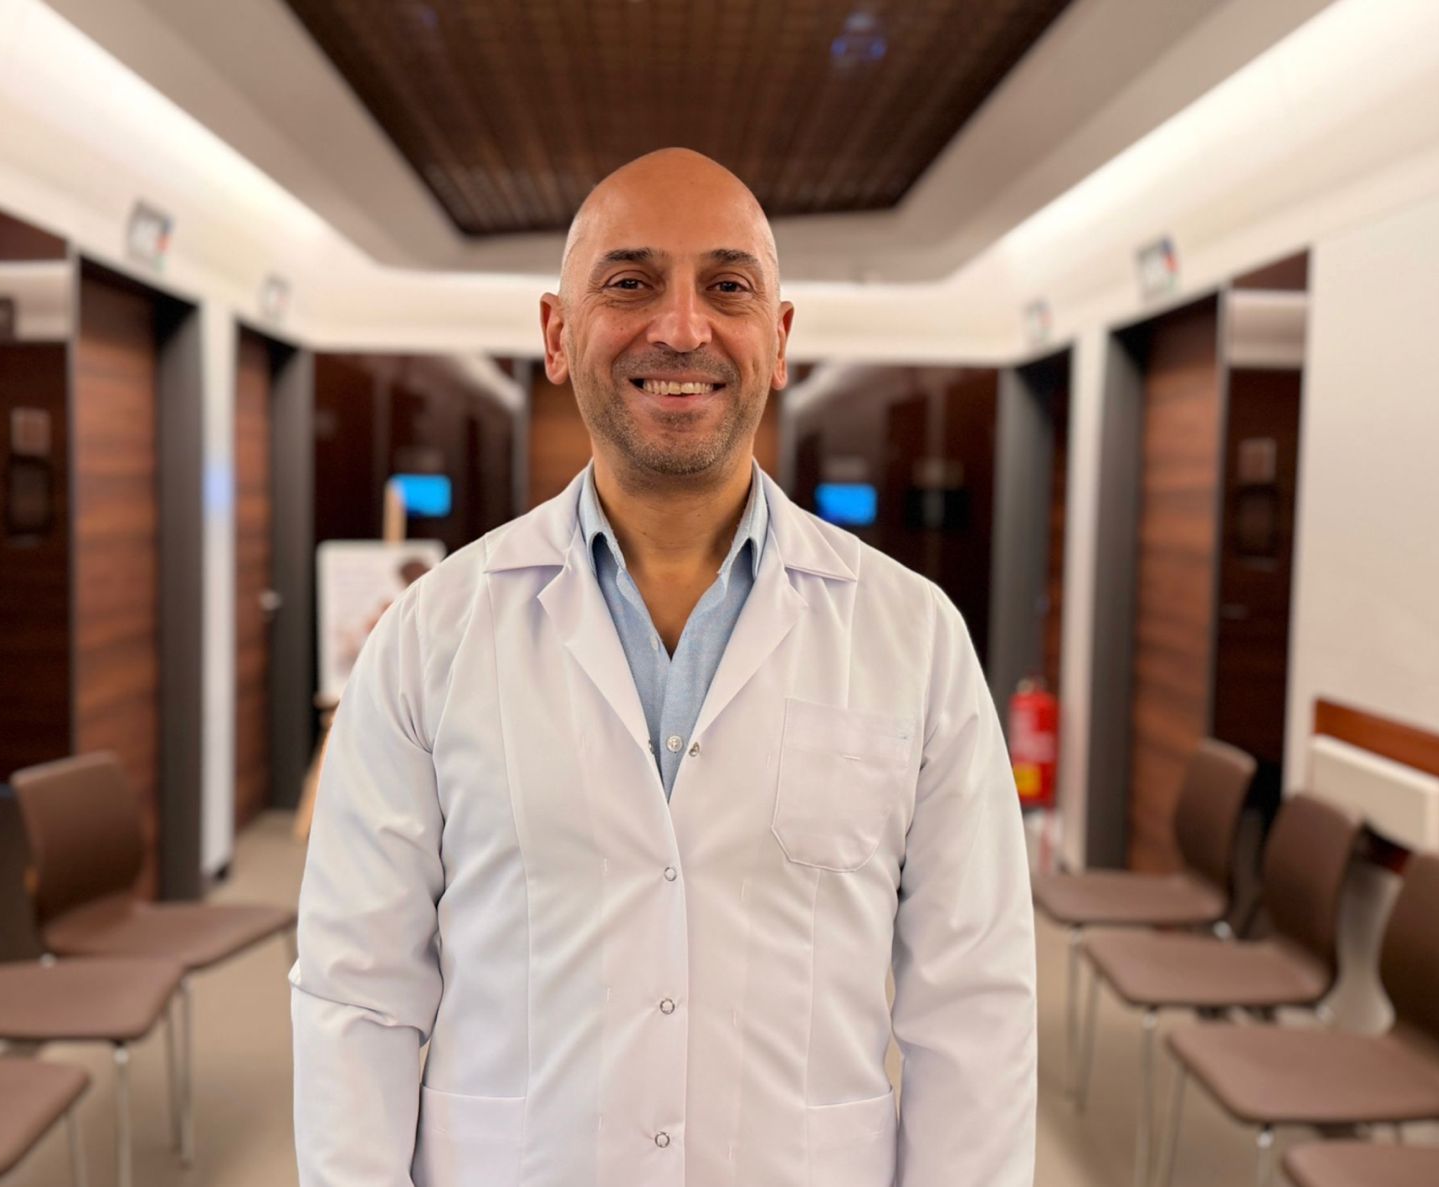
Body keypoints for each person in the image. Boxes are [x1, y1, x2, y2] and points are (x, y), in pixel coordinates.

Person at [291, 148, 1036, 1187]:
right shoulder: (430, 636)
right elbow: (356, 993)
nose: (682, 328)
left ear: (780, 339)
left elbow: (975, 1008)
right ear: (558, 335)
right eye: (631, 282)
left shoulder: (913, 637)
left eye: (727, 287)